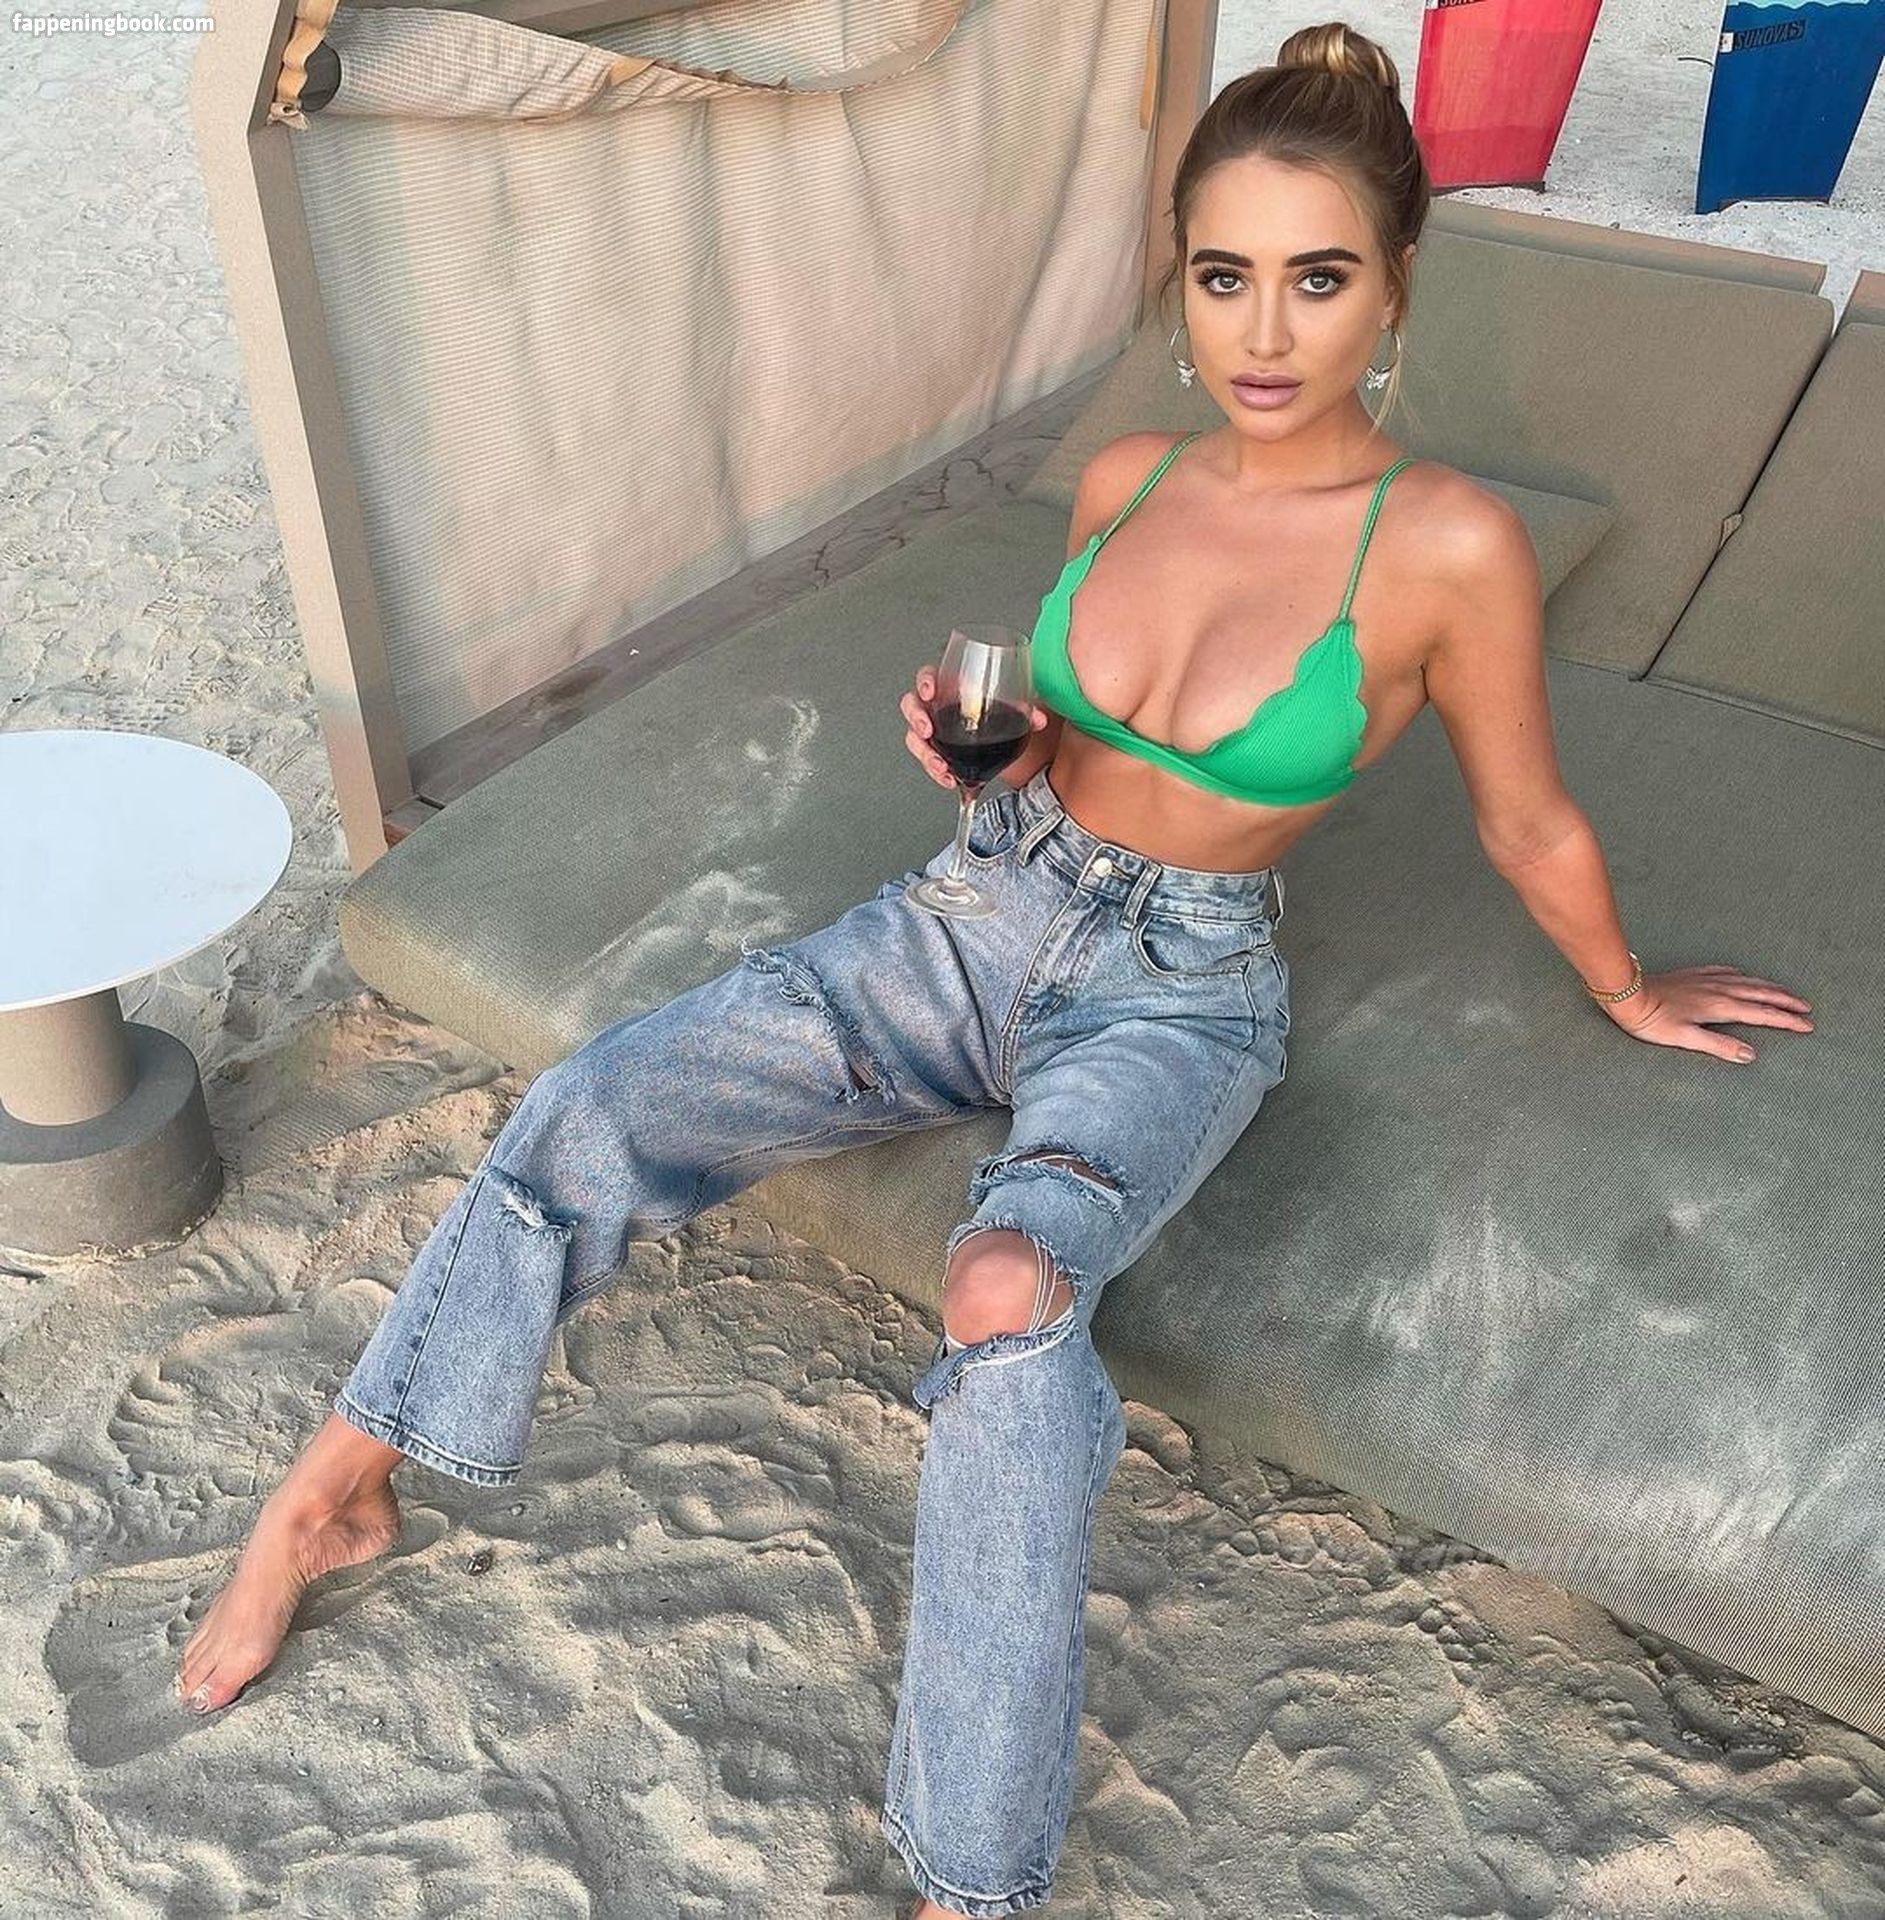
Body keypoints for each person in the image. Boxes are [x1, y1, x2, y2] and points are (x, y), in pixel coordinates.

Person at [176, 21, 1812, 1918]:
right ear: (1176, 278)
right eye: (1221, 274)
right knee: (601, 1095)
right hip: (970, 911)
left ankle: (968, 1879)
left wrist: (1622, 984)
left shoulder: (1444, 544)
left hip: (1175, 988)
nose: (1262, 329)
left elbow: (1525, 823)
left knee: (1009, 1287)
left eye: (1316, 278)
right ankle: (335, 1488)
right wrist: (1001, 752)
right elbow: (1057, 731)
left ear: (1392, 290)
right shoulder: (1122, 477)